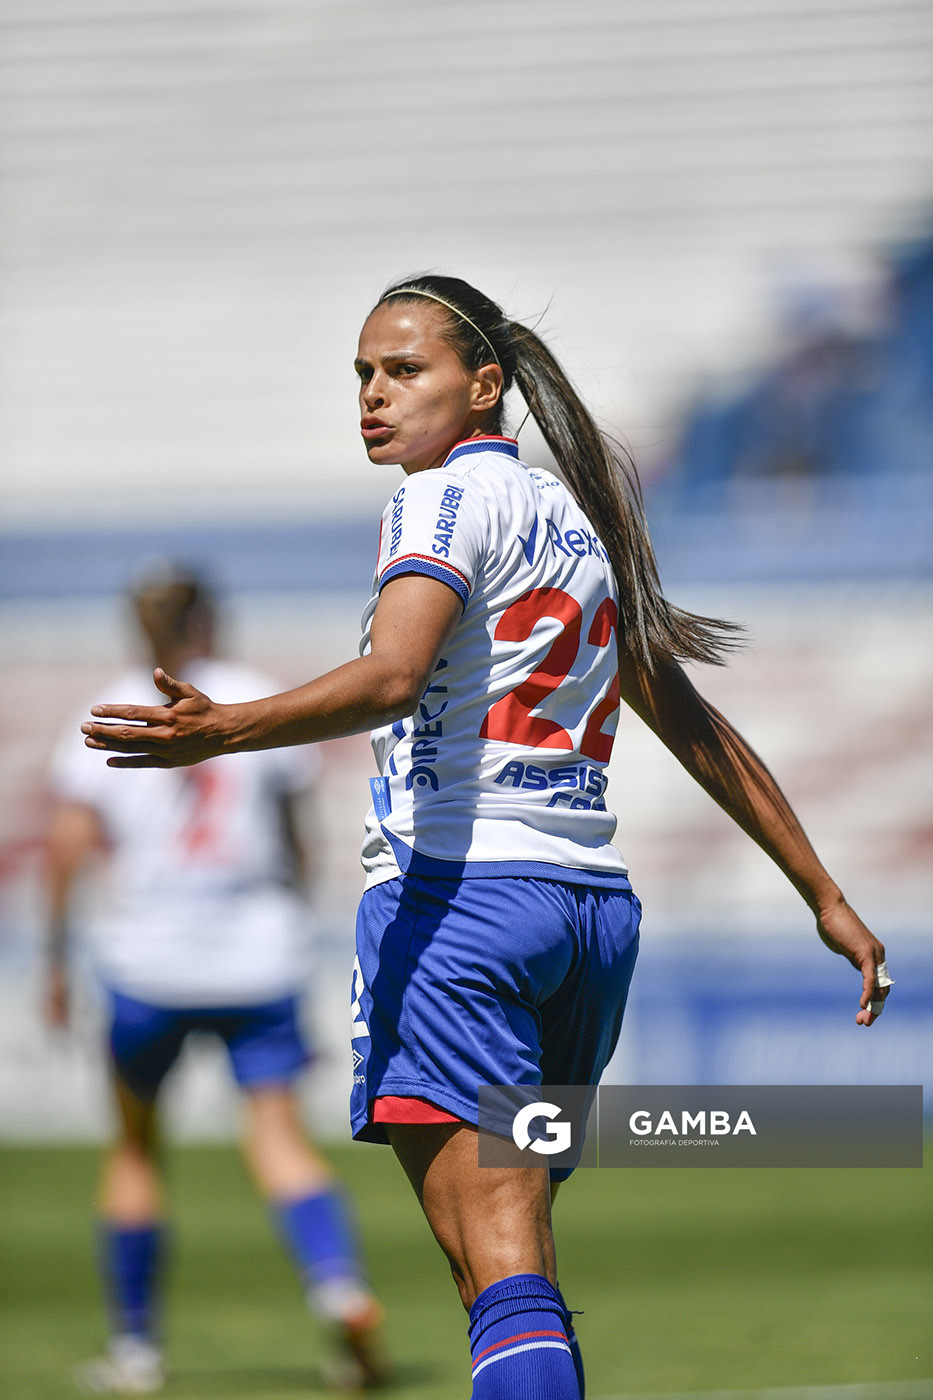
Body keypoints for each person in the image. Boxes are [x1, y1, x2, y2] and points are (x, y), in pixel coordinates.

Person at [81, 276, 892, 1400]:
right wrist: (823, 892)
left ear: (484, 384)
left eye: (403, 369)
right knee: (511, 1262)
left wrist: (229, 727)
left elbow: (394, 674)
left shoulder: (438, 500)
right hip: (586, 918)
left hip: (460, 905)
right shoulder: (573, 520)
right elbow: (688, 718)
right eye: (363, 374)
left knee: (501, 1265)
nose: (372, 394)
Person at [45, 563, 387, 1394]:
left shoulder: (104, 710)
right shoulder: (257, 697)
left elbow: (66, 850)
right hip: (255, 957)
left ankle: (135, 1350)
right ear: (209, 619)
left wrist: (54, 960)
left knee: (135, 1150)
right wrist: (292, 919)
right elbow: (299, 841)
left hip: (146, 961)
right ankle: (337, 1286)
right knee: (278, 1139)